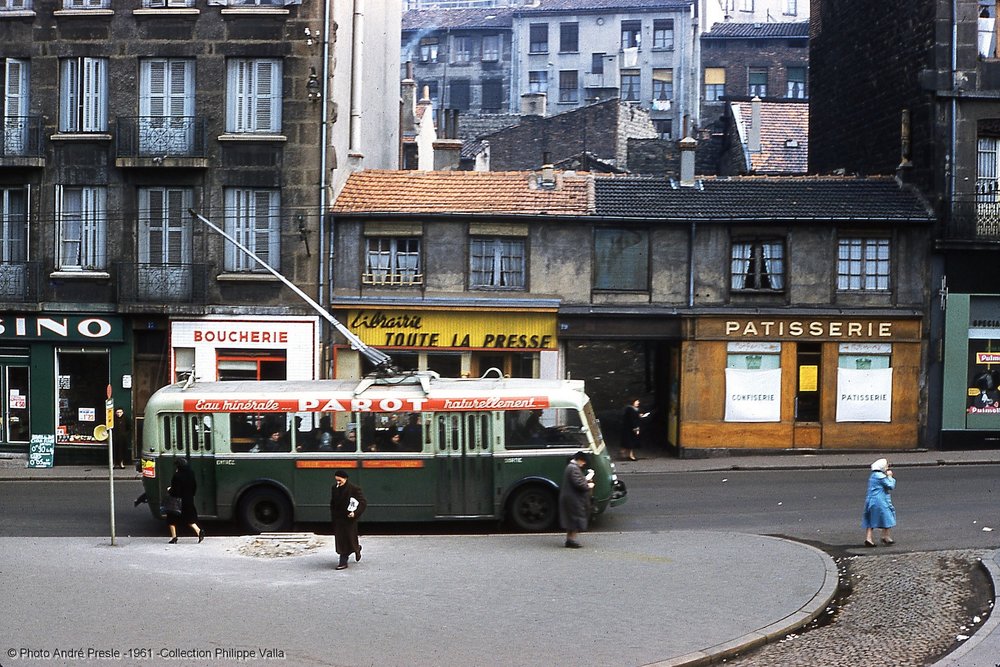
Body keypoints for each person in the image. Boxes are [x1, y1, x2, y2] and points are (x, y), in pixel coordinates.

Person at [330, 469, 367, 570]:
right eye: (336, 480)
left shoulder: (354, 489)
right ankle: (355, 549)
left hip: (349, 519)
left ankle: (343, 561)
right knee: (341, 540)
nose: (338, 483)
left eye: (340, 480)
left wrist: (355, 513)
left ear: (345, 479)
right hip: (338, 519)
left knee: (348, 538)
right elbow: (333, 502)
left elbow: (363, 502)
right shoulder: (334, 488)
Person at [559, 451, 594, 549]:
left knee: (571, 520)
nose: (583, 464)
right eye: (583, 461)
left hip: (570, 498)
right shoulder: (574, 468)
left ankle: (569, 540)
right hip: (573, 499)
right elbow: (579, 484)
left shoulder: (571, 467)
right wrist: (588, 485)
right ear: (579, 460)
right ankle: (572, 540)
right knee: (575, 519)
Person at [166, 457, 205, 544]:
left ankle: (174, 537)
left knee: (171, 518)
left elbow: (176, 491)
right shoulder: (191, 473)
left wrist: (169, 489)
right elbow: (194, 486)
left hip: (178, 502)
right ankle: (199, 531)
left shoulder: (177, 476)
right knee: (189, 518)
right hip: (189, 499)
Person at [862, 458, 896, 547]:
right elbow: (890, 486)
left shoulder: (873, 475)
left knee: (870, 518)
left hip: (871, 500)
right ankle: (885, 536)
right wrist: (890, 477)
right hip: (880, 501)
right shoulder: (881, 477)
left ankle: (868, 538)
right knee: (887, 516)